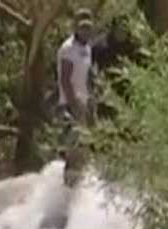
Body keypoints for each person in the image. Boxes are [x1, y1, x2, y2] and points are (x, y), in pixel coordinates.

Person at [57, 10, 99, 187]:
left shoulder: (87, 47)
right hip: (71, 104)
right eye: (82, 26)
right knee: (74, 146)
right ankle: (66, 191)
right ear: (76, 27)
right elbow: (65, 79)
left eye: (88, 26)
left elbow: (87, 75)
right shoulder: (68, 48)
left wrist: (91, 98)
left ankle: (82, 188)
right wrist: (74, 104)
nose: (86, 30)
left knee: (87, 146)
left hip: (86, 102)